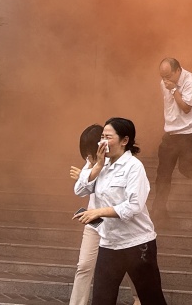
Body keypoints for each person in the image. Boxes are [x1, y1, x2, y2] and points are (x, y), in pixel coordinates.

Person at [73, 117, 167, 305]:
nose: (102, 142)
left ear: (124, 141)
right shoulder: (101, 164)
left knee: (152, 299)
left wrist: (99, 212)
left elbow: (133, 206)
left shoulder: (134, 167)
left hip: (137, 244)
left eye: (108, 137)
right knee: (101, 299)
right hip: (109, 244)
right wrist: (97, 166)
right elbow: (80, 189)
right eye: (101, 136)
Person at [69, 124, 140, 305]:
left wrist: (91, 172)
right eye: (85, 154)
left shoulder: (120, 162)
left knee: (131, 264)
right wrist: (87, 173)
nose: (88, 158)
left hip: (116, 221)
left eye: (90, 152)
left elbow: (129, 201)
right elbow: (80, 190)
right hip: (95, 221)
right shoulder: (90, 162)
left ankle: (139, 297)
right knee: (84, 266)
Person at [152, 57, 192, 221]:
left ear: (178, 70)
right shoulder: (164, 83)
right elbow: (170, 107)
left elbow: (186, 108)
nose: (165, 79)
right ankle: (159, 211)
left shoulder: (190, 81)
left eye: (168, 75)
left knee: (185, 167)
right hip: (171, 132)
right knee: (163, 173)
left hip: (190, 131)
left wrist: (174, 90)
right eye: (162, 76)